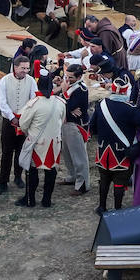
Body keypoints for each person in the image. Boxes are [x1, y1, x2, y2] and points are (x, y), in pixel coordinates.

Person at [92, 74, 140, 213]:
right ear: (126, 91)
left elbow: (93, 127)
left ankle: (102, 206)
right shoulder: (131, 108)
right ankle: (118, 209)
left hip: (103, 150)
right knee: (120, 182)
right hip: (121, 153)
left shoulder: (101, 104)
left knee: (104, 180)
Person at [16, 73, 65, 208]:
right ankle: (46, 200)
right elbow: (63, 120)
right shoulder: (60, 103)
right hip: (54, 142)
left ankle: (30, 199)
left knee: (32, 170)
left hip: (37, 143)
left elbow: (23, 123)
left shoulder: (33, 104)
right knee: (51, 171)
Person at [0, 57, 36, 193]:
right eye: (23, 68)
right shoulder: (5, 80)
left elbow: (33, 100)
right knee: (7, 151)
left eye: (27, 68)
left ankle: (18, 176)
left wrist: (25, 117)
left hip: (24, 121)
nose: (25, 71)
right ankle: (3, 181)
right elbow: (2, 102)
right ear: (15, 67)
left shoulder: (30, 81)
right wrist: (12, 117)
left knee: (21, 150)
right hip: (9, 121)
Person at [58, 63, 91, 194]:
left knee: (78, 156)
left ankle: (82, 184)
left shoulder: (81, 89)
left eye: (71, 77)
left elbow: (66, 105)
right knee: (67, 153)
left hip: (76, 126)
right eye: (67, 76)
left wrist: (64, 93)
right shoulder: (71, 86)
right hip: (67, 124)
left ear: (78, 77)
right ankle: (72, 176)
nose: (67, 79)